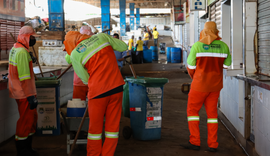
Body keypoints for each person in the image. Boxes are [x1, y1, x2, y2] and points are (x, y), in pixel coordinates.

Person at [63, 30, 127, 156]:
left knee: (95, 131)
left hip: (98, 93)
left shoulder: (76, 54)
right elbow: (123, 47)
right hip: (117, 88)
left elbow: (85, 79)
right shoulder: (102, 37)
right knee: (112, 129)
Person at [181, 21, 232, 152]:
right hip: (215, 87)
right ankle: (213, 144)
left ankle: (195, 142)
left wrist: (195, 77)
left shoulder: (197, 46)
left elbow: (191, 67)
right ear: (216, 32)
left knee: (192, 112)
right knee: (212, 115)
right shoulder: (224, 46)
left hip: (199, 86)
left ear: (203, 32)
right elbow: (227, 65)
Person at [8, 26, 39, 156]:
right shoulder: (21, 52)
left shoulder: (16, 48)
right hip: (24, 92)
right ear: (26, 37)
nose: (33, 39)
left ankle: (28, 147)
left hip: (20, 90)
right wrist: (30, 96)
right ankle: (22, 150)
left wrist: (30, 59)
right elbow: (24, 77)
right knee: (25, 120)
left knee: (31, 118)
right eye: (32, 37)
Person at [65, 25, 94, 101]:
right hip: (94, 80)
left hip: (80, 81)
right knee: (95, 104)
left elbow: (68, 60)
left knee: (78, 105)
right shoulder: (94, 43)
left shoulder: (76, 46)